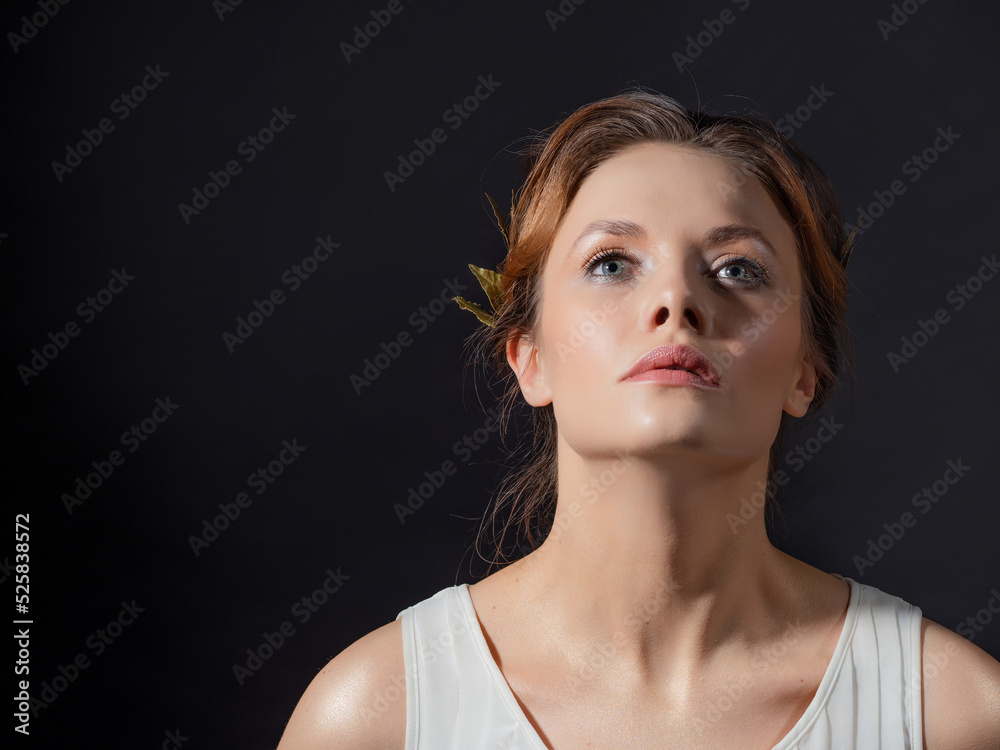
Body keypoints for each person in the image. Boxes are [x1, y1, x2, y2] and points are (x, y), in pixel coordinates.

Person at [276, 87, 1000, 749]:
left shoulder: (953, 714)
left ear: (804, 373)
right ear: (530, 357)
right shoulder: (377, 717)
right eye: (613, 263)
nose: (677, 303)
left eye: (737, 269)